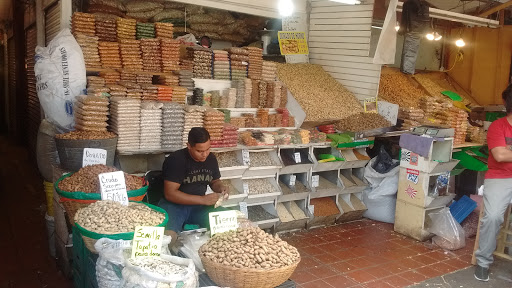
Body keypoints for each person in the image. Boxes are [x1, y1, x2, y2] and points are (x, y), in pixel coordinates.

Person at [159, 127, 229, 242]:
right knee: (168, 238)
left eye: (208, 149)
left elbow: (215, 181)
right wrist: (202, 199)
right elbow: (170, 194)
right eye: (200, 151)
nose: (205, 154)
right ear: (189, 146)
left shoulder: (211, 158)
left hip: (200, 208)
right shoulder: (176, 160)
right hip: (174, 206)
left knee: (229, 224)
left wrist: (221, 188)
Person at [474, 84, 512, 281]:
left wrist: (509, 152)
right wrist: (506, 153)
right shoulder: (498, 126)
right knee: (494, 216)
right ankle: (483, 261)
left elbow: (506, 153)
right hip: (500, 178)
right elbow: (500, 155)